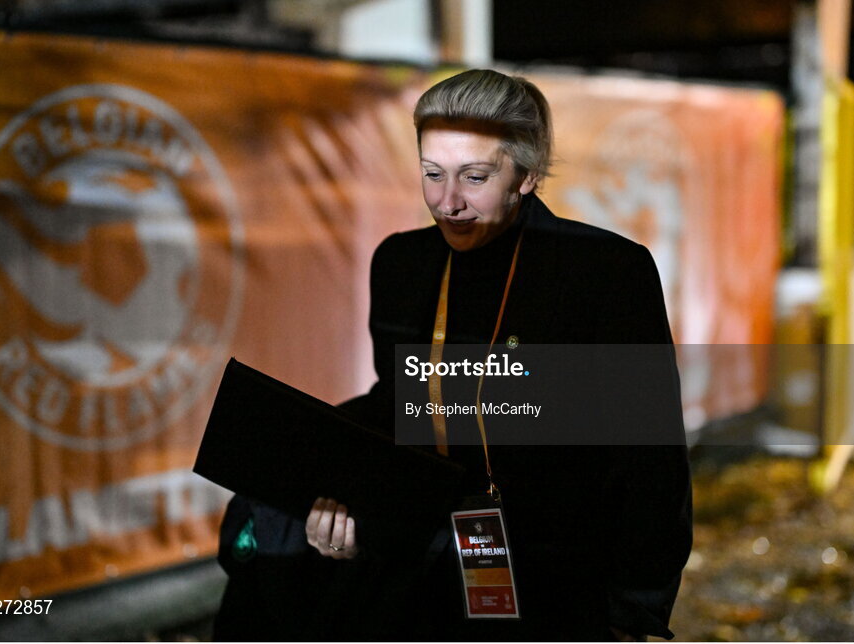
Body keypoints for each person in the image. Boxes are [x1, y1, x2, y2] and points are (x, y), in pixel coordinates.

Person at [213, 69, 692, 641]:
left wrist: (635, 617)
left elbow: (649, 464)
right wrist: (323, 470)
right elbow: (402, 401)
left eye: (475, 177)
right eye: (432, 174)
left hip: (556, 582)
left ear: (527, 175)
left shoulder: (606, 272)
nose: (448, 203)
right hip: (426, 566)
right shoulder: (402, 264)